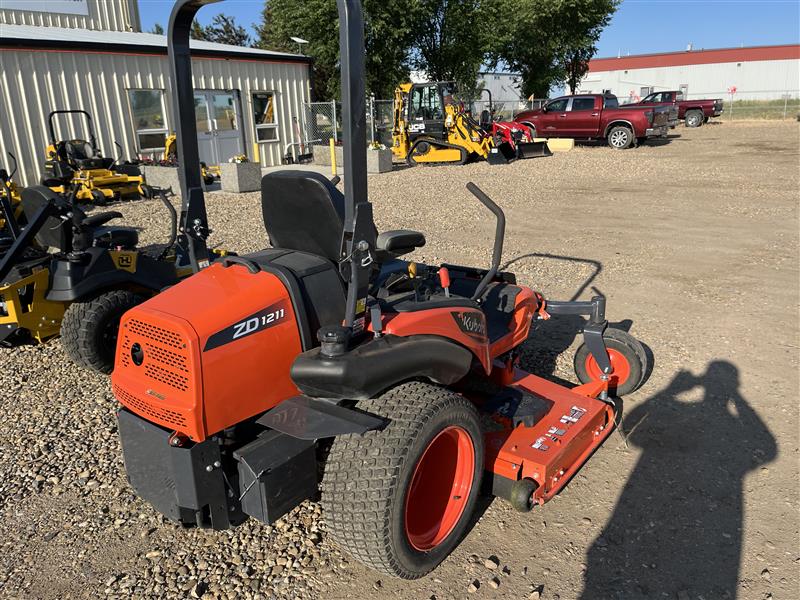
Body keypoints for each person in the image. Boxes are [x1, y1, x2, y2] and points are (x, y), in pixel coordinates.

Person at [580, 361, 776, 599]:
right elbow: (767, 447)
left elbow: (631, 430)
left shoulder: (688, 410)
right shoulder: (726, 422)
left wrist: (671, 391)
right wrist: (735, 396)